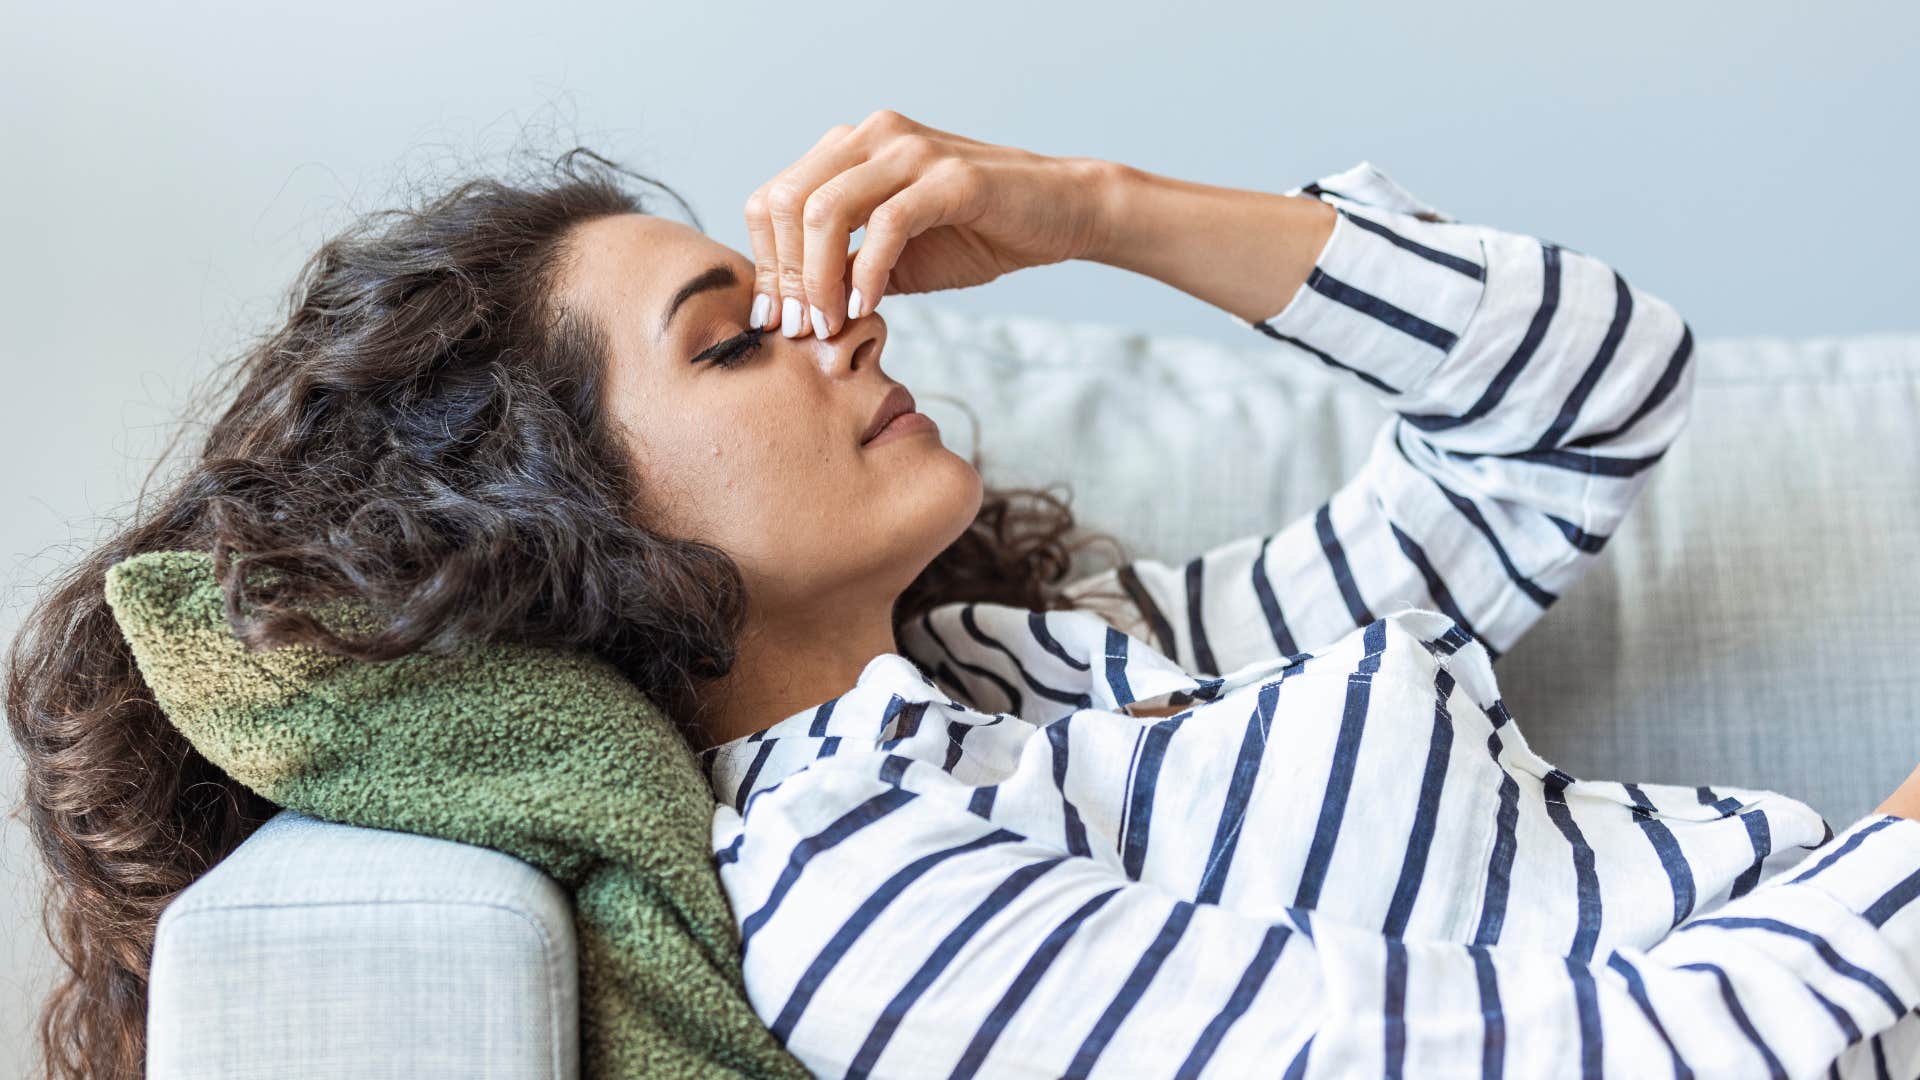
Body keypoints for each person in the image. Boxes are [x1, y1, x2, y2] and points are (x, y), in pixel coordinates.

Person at [7, 109, 1916, 1079]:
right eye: (737, 342)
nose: (840, 324)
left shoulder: (1052, 670)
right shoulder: (872, 905)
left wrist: (1102, 207)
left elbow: (1586, 412)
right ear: (564, 522)